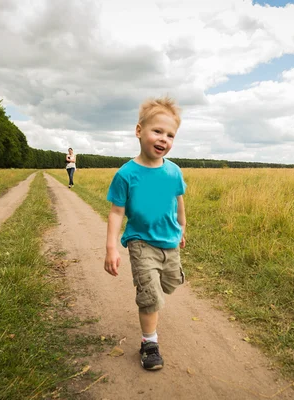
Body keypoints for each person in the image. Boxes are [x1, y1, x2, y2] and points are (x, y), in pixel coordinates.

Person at [104, 96, 186, 371]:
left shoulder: (174, 172)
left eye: (170, 134)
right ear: (139, 131)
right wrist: (111, 247)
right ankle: (149, 343)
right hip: (140, 242)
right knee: (150, 296)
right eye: (157, 131)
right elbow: (116, 212)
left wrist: (182, 229)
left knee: (170, 284)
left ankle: (159, 282)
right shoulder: (126, 174)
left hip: (170, 243)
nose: (164, 139)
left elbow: (178, 203)